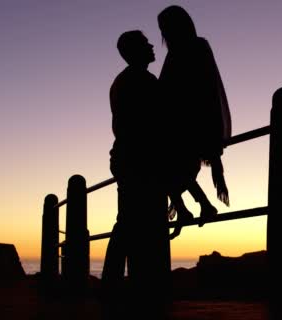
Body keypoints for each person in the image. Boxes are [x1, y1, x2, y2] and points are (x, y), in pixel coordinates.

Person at [101, 30, 171, 318]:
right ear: (134, 51)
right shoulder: (141, 81)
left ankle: (114, 287)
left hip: (128, 159)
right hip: (139, 160)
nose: (153, 45)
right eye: (145, 43)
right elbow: (156, 123)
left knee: (129, 224)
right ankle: (134, 290)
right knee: (138, 225)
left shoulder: (124, 81)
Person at [158, 5, 232, 239]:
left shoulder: (194, 47)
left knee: (169, 170)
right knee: (173, 172)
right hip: (181, 126)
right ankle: (194, 207)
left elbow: (206, 90)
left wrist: (212, 140)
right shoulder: (183, 50)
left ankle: (191, 207)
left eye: (165, 28)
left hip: (187, 126)